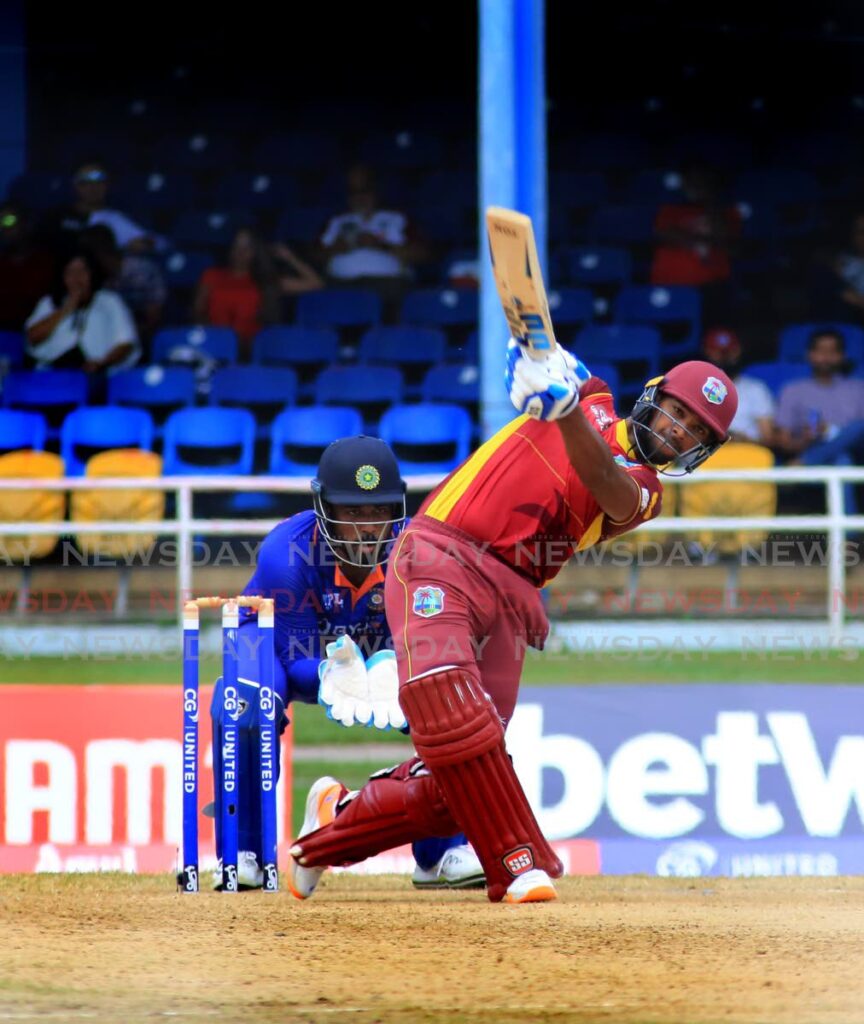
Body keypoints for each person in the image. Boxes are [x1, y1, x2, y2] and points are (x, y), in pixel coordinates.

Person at [289, 340, 739, 904]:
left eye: (696, 432)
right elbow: (531, 349)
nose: (678, 432)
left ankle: (329, 829)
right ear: (652, 396)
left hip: (504, 596)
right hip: (440, 555)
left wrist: (564, 407)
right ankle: (518, 861)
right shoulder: (591, 392)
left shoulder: (646, 494)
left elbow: (607, 483)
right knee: (460, 719)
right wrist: (533, 366)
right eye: (677, 413)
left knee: (457, 783)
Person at [209, 434, 483, 891]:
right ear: (323, 508)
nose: (367, 527)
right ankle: (244, 856)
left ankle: (442, 852)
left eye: (378, 512)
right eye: (352, 512)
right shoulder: (286, 554)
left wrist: (395, 670)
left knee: (448, 697)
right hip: (273, 639)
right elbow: (293, 656)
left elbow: (429, 642)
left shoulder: (420, 552)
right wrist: (332, 677)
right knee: (244, 703)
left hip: (376, 645)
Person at [317, 162, 427, 318]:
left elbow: (424, 254)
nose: (360, 197)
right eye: (353, 192)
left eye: (365, 190)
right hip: (340, 284)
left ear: (376, 191)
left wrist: (381, 246)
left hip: (386, 285)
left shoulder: (398, 218)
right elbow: (313, 255)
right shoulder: (336, 221)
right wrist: (336, 248)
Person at [193, 227, 321, 358]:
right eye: (236, 246)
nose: (240, 252)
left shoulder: (266, 281)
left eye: (247, 247)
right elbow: (198, 310)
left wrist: (289, 258)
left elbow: (315, 283)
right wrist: (214, 336)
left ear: (256, 252)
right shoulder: (211, 275)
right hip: (213, 342)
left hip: (250, 347)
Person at [24, 248, 140, 375]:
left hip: (98, 374)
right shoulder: (49, 302)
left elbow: (126, 342)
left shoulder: (110, 302)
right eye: (71, 272)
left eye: (82, 271)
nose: (77, 278)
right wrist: (66, 310)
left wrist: (102, 363)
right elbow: (32, 337)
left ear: (92, 274)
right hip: (52, 376)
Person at [40, 160, 168, 257]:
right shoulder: (56, 215)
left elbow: (160, 243)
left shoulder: (115, 219)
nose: (92, 187)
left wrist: (145, 244)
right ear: (75, 185)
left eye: (98, 181)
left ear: (107, 185)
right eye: (85, 181)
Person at [81, 224, 166, 350]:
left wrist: (126, 338)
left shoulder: (142, 270)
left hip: (141, 337)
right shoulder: (91, 277)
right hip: (103, 339)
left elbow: (154, 315)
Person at [701, 327, 776, 446]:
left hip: (746, 453)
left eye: (730, 352)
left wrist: (742, 440)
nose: (725, 358)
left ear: (739, 351)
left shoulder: (756, 389)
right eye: (718, 353)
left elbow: (769, 439)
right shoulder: (696, 387)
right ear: (707, 352)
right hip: (705, 455)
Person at [0, 202, 53, 332]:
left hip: (39, 333)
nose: (4, 228)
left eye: (9, 221)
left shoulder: (47, 261)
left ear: (26, 224)